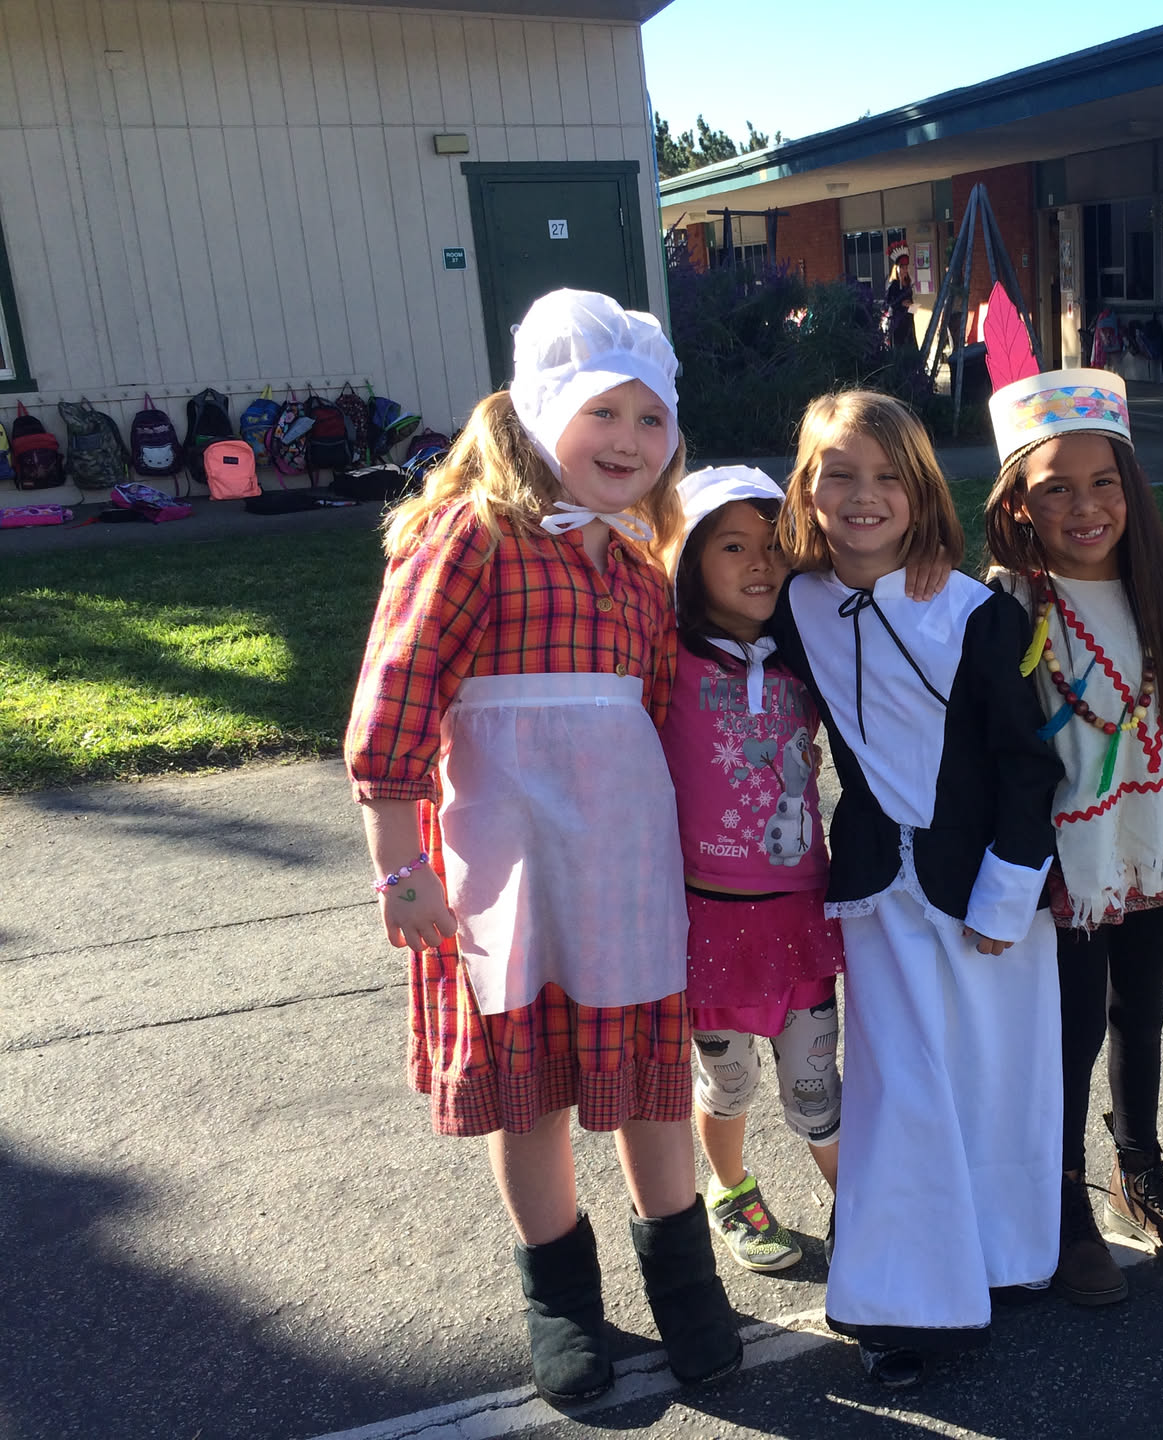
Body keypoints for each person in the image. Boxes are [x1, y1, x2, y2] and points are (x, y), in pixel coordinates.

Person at [344, 290, 740, 1407]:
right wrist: (399, 864)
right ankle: (559, 1294)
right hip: (503, 872)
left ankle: (685, 1282)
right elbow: (395, 701)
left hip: (623, 871)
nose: (629, 439)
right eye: (603, 412)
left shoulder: (640, 567)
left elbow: (653, 717)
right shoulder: (470, 539)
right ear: (541, 411)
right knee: (529, 1094)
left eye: (651, 420)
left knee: (651, 1083)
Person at [766, 390, 1065, 1388]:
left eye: (889, 477)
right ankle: (904, 1300)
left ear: (923, 492)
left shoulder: (973, 611)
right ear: (807, 488)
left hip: (985, 884)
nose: (865, 495)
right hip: (874, 889)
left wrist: (1009, 891)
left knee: (999, 1072)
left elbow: (1027, 763)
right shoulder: (794, 601)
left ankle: (1002, 1256)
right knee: (898, 1090)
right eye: (840, 474)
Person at [983, 367, 1163, 1307]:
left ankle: (1140, 1172)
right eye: (1055, 488)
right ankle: (1063, 1202)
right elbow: (998, 746)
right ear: (1018, 505)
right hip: (1068, 861)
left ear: (1132, 485)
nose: (1085, 506)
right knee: (1067, 1030)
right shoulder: (1011, 603)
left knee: (1142, 1007)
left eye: (1104, 482)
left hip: (1157, 843)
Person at [659, 465, 845, 1275]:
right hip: (709, 918)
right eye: (732, 546)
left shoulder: (809, 657)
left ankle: (860, 1208)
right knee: (728, 1081)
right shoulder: (667, 659)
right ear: (688, 562)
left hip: (800, 913)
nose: (759, 561)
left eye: (773, 543)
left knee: (816, 1085)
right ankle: (731, 1189)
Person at [884, 255, 916, 351]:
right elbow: (889, 302)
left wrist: (911, 305)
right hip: (897, 322)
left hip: (908, 321)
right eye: (902, 268)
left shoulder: (908, 284)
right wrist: (901, 304)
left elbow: (910, 299)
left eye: (906, 268)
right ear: (897, 268)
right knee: (899, 347)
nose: (905, 270)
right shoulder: (893, 285)